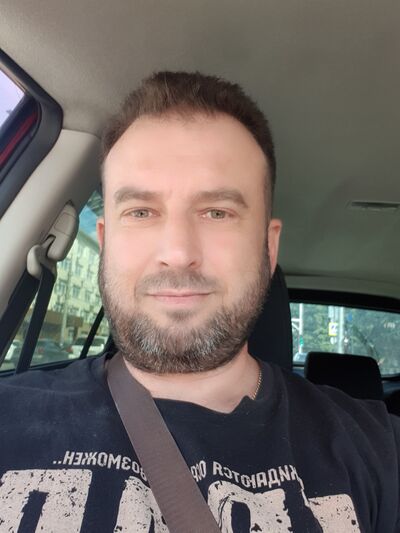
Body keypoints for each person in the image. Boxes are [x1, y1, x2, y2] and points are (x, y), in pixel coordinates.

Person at [0, 71, 399, 532]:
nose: (177, 252)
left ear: (269, 248)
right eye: (141, 212)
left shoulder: (378, 450)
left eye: (216, 212)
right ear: (105, 243)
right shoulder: (9, 419)